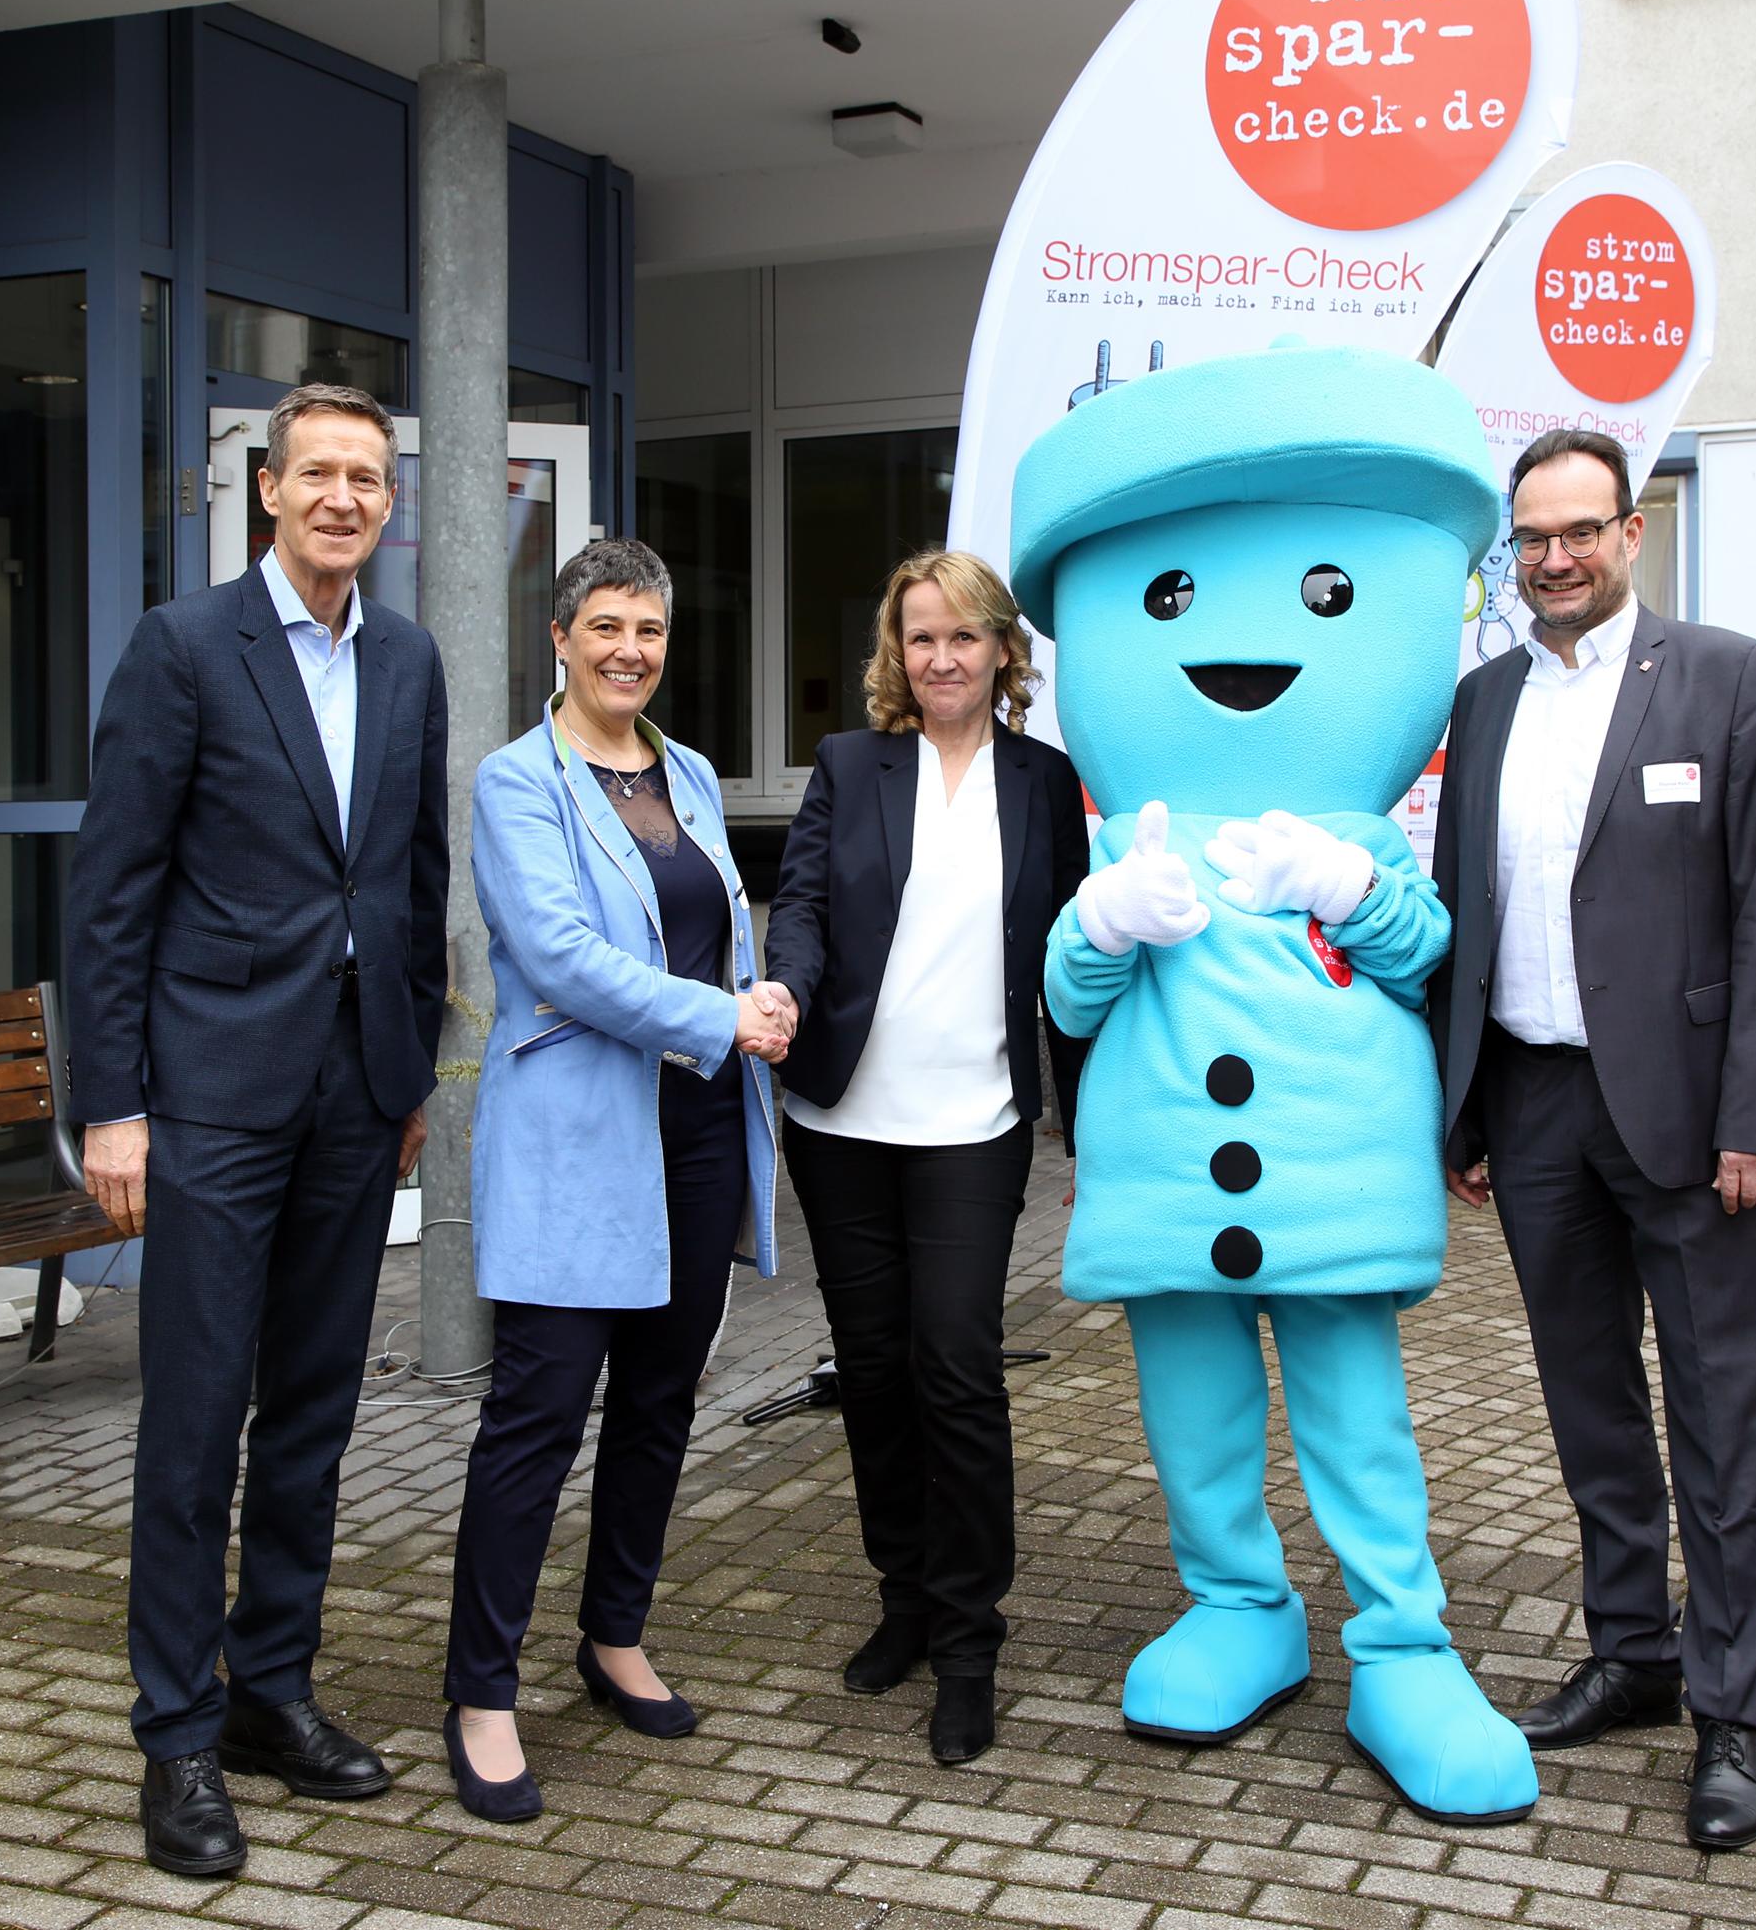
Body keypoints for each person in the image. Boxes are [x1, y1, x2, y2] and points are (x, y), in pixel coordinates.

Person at [67, 384, 448, 1877]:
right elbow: (114, 892)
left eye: (368, 476)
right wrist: (113, 1103)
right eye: (320, 473)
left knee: (313, 1412)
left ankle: (268, 1691)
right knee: (194, 1423)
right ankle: (175, 1734)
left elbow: (409, 881)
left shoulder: (408, 660)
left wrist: (407, 1068)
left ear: (384, 502)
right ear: (268, 489)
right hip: (211, 1101)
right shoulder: (182, 648)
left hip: (355, 1100)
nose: (346, 496)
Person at [1428, 428, 1756, 1852]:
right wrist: (1461, 1108)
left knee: (1720, 1419)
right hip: (1532, 1111)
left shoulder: (1721, 677)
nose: (1552, 559)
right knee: (1588, 1407)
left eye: (1576, 531)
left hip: (1688, 1122)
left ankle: (1729, 1714)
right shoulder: (1481, 702)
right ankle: (1633, 1654)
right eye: (1528, 540)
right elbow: (1459, 913)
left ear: (1630, 531)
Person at [441, 538, 784, 1822]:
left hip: (693, 1134)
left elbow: (724, 923)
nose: (629, 649)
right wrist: (720, 1015)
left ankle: (613, 1635)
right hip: (581, 1140)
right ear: (561, 637)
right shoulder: (516, 782)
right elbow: (562, 954)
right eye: (606, 626)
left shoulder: (686, 769)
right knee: (536, 1418)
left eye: (648, 628)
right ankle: (481, 1692)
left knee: (659, 1402)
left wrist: (765, 993)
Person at [762, 549, 1088, 1766]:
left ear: (1004, 650)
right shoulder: (853, 767)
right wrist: (787, 985)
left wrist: (1091, 1116)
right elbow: (800, 902)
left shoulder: (1047, 783)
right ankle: (902, 1596)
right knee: (877, 1372)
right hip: (842, 1122)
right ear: (894, 656)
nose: (941, 658)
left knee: (957, 1366)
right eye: (920, 639)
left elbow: (1072, 959)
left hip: (976, 1125)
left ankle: (968, 1640)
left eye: (963, 637)